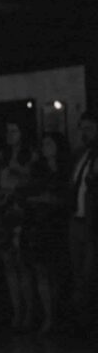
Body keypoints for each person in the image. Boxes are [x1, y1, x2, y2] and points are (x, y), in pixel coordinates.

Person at [24, 132, 70, 334]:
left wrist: (50, 199)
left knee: (58, 270)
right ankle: (48, 316)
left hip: (60, 224)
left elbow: (65, 197)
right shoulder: (38, 170)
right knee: (42, 270)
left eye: (49, 143)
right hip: (41, 224)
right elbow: (28, 195)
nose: (45, 146)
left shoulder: (66, 169)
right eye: (43, 143)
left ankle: (59, 315)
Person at [0, 122, 37, 330]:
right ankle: (16, 311)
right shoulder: (2, 154)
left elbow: (32, 180)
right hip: (4, 208)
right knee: (8, 264)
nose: (10, 134)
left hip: (20, 209)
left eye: (14, 130)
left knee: (22, 263)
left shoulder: (30, 154)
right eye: (8, 131)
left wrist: (17, 170)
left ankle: (29, 312)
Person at [66, 112, 97, 330]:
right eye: (82, 128)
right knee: (78, 274)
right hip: (77, 219)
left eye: (89, 128)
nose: (84, 133)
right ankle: (83, 323)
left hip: (92, 221)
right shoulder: (82, 155)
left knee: (89, 273)